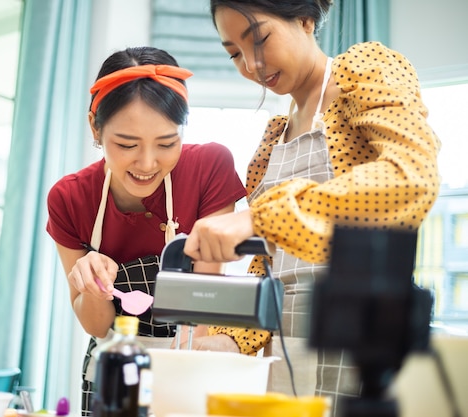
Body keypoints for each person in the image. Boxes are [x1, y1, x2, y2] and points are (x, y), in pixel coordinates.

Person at [181, 0, 441, 415]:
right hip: (279, 347)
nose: (250, 64)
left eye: (260, 39)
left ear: (304, 19)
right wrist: (231, 338)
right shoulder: (273, 138)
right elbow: (267, 265)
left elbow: (409, 176)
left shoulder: (364, 72)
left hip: (359, 337)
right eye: (233, 53)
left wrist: (257, 217)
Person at [46, 46, 247, 416]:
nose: (148, 163)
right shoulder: (71, 197)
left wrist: (180, 382)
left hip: (190, 358)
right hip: (114, 364)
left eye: (167, 143)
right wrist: (92, 286)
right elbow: (97, 324)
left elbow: (204, 302)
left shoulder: (209, 167)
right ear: (95, 127)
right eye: (126, 145)